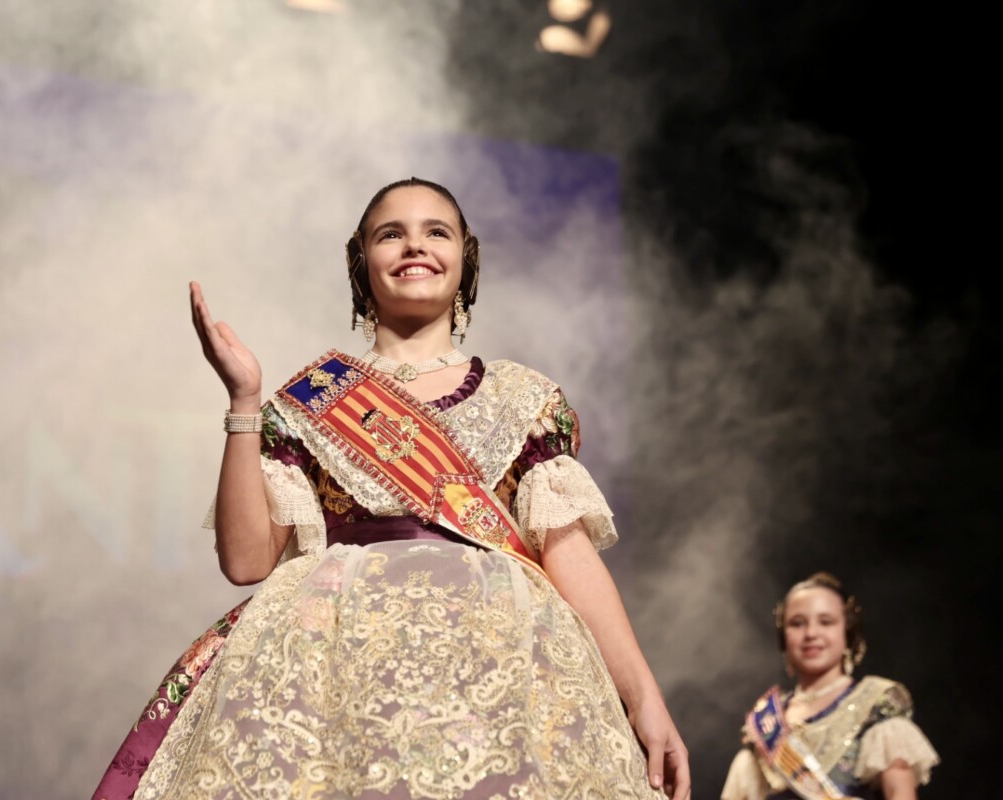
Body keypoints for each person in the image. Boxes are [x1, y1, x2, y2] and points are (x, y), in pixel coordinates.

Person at [94, 177, 689, 799]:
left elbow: (570, 558)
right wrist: (244, 399)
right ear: (361, 260)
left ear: (465, 257)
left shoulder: (525, 399)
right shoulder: (305, 405)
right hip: (335, 672)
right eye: (391, 234)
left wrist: (643, 697)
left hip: (503, 673)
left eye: (437, 231)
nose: (415, 246)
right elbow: (245, 563)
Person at [721, 573, 939, 800]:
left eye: (826, 622)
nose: (811, 633)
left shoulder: (876, 704)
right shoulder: (767, 721)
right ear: (783, 635)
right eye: (797, 623)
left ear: (847, 630)